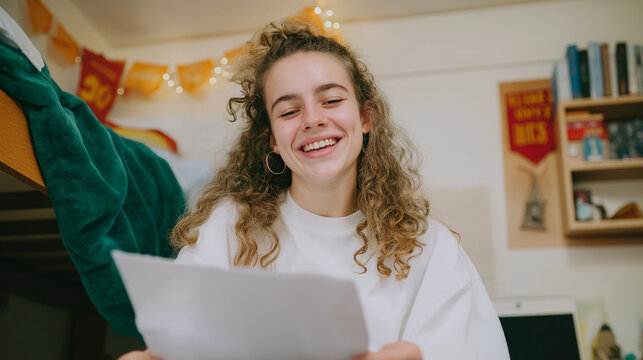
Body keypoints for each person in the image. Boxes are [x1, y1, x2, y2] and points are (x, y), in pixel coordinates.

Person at [120, 21, 509, 360]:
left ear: (366, 117)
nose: (312, 120)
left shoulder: (428, 246)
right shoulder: (227, 228)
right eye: (289, 111)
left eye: (332, 100)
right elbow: (182, 343)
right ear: (272, 140)